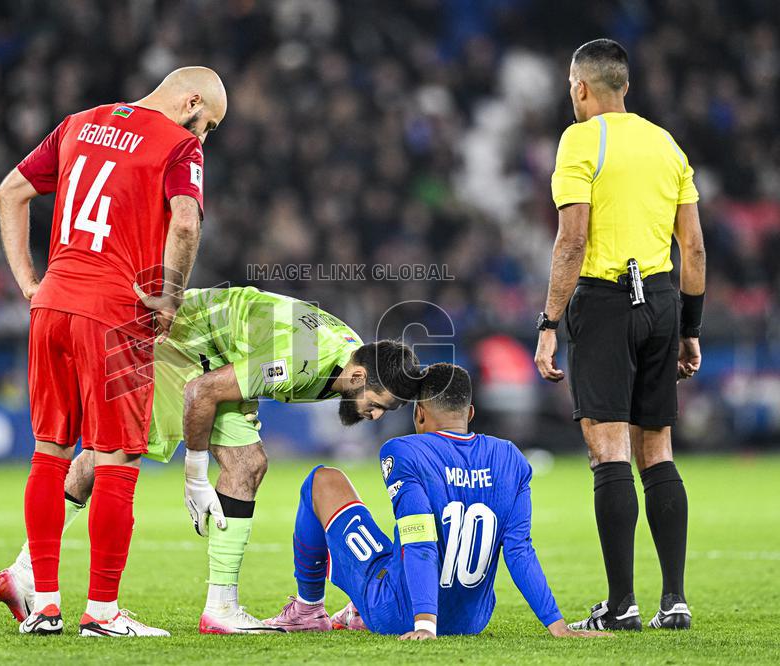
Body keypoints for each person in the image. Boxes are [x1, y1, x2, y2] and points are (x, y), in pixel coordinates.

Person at [0, 285, 422, 634]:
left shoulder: (351, 353)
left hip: (217, 348)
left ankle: (25, 572)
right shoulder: (302, 359)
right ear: (359, 375)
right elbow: (203, 391)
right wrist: (195, 475)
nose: (375, 415)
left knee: (240, 463)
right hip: (175, 343)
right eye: (377, 404)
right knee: (120, 454)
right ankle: (210, 609)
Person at [0, 66, 226, 638]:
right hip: (116, 313)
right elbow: (186, 224)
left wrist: (28, 281)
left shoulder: (79, 123)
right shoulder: (179, 146)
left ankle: (44, 606)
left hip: (52, 305)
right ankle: (101, 612)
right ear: (191, 101)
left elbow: (9, 193)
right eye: (208, 124)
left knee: (49, 453)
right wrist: (170, 295)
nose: (204, 137)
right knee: (117, 459)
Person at [533, 39, 705, 631]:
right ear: (625, 86)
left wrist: (548, 323)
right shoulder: (667, 144)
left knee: (609, 450)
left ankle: (621, 605)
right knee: (657, 449)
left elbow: (572, 240)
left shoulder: (581, 140)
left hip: (606, 302)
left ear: (580, 87)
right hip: (662, 301)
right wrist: (690, 328)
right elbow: (694, 248)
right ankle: (675, 601)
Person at [262, 363, 609, 640]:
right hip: (471, 621)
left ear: (419, 414)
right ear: (469, 413)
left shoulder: (404, 451)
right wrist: (557, 625)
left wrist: (425, 624)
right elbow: (520, 550)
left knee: (322, 480)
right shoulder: (511, 457)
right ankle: (357, 611)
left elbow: (420, 541)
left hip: (401, 612)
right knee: (393, 548)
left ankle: (308, 611)